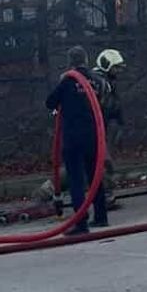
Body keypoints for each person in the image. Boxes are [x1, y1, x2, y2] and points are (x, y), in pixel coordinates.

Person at [45, 46, 110, 234]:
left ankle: (81, 222)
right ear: (86, 59)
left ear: (69, 61)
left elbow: (50, 102)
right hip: (94, 134)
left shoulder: (67, 81)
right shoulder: (96, 80)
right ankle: (101, 216)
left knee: (76, 180)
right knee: (95, 176)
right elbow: (105, 97)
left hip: (73, 136)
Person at [94, 49, 126, 209]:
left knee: (95, 165)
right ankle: (106, 198)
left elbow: (114, 106)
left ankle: (106, 196)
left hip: (100, 129)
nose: (119, 71)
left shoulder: (107, 82)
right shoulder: (99, 82)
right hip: (94, 130)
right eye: (116, 67)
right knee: (104, 163)